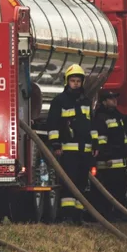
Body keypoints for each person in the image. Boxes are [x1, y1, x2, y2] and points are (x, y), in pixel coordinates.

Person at [46, 64, 95, 224]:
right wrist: (56, 145)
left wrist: (95, 144)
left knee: (81, 184)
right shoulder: (60, 101)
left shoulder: (86, 101)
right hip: (68, 151)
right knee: (69, 184)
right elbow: (53, 124)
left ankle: (78, 217)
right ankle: (66, 216)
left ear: (82, 82)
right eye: (73, 81)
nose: (75, 84)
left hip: (85, 151)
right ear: (67, 82)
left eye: (78, 81)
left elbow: (91, 125)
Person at [90, 89, 127, 217]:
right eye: (111, 98)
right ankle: (106, 215)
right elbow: (101, 140)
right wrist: (106, 157)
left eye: (115, 98)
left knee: (121, 189)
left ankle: (119, 215)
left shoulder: (117, 116)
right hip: (108, 164)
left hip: (120, 162)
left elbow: (123, 138)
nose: (115, 101)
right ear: (104, 101)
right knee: (107, 191)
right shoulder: (100, 117)